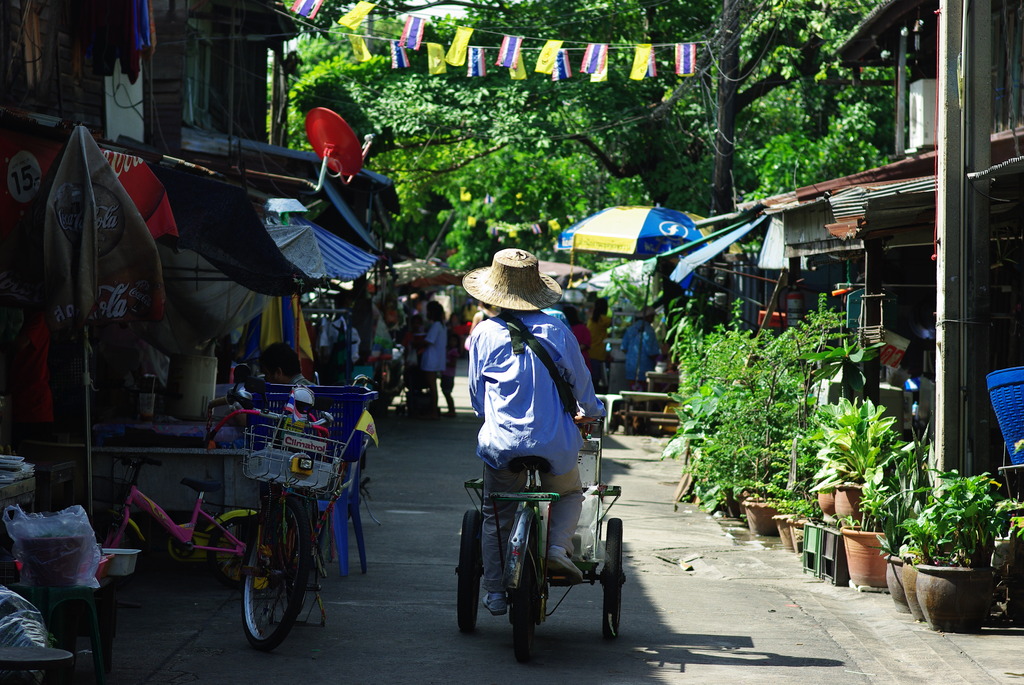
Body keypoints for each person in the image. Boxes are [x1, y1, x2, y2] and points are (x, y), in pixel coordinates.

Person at [463, 248, 605, 616]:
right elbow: (583, 386)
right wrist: (593, 413)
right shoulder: (558, 330)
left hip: (502, 445)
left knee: (497, 514)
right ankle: (557, 548)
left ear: (494, 292)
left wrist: (494, 413)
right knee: (570, 492)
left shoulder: (482, 333)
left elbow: (477, 398)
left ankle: (495, 593)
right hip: (554, 444)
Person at [417, 300, 447, 419]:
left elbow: (428, 341)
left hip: (431, 360)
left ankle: (433, 411)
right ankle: (432, 410)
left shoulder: (436, 325)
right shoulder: (442, 325)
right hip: (436, 359)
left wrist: (416, 343)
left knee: (432, 387)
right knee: (432, 386)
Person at [621, 309, 660, 391]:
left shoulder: (630, 328)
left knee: (633, 392)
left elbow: (624, 348)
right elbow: (651, 352)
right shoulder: (649, 330)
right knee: (644, 393)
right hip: (645, 369)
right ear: (648, 317)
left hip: (630, 368)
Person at [587, 298, 612, 393]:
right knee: (599, 381)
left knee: (593, 380)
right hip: (599, 354)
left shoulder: (591, 319)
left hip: (590, 352)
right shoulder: (603, 319)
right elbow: (617, 322)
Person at [562, 305, 592, 371]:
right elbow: (586, 343)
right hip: (580, 361)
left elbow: (585, 343)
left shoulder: (562, 328)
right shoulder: (583, 328)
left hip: (574, 360)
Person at [440, 329, 460, 417]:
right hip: (445, 374)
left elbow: (453, 364)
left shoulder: (453, 352)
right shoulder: (448, 350)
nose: (452, 342)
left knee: (447, 392)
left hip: (449, 375)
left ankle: (452, 410)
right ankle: (451, 410)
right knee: (446, 392)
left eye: (454, 341)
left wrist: (443, 362)